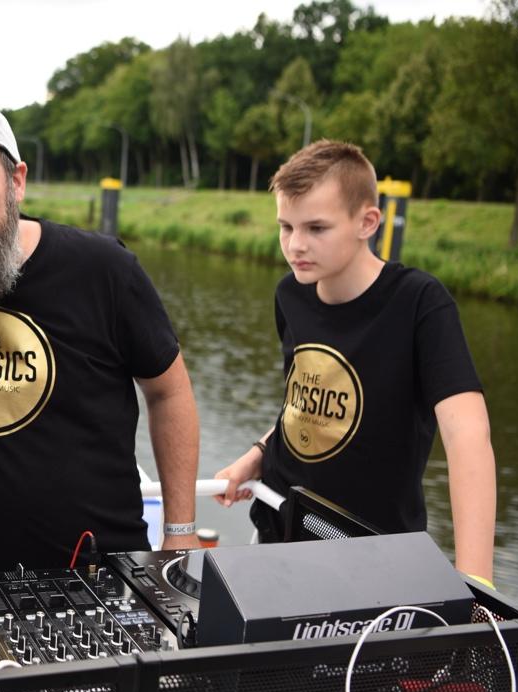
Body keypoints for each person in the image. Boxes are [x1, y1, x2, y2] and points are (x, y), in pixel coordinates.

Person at [0, 96, 200, 574]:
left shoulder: (102, 270)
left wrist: (180, 531)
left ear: (16, 182)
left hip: (102, 571)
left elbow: (168, 392)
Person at [212, 139, 495, 580]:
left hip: (370, 556)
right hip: (279, 528)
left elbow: (468, 437)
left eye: (316, 228)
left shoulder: (420, 303)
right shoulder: (290, 295)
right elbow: (306, 401)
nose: (295, 245)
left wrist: (477, 584)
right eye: (286, 227)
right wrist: (260, 452)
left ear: (367, 222)